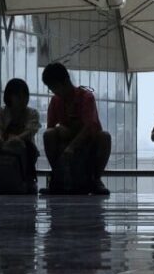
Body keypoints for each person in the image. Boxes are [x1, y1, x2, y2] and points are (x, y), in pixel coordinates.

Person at [41, 62, 112, 195]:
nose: (53, 91)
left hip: (87, 141)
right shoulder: (56, 100)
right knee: (49, 134)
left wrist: (72, 146)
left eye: (54, 87)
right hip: (68, 140)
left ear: (65, 81)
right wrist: (59, 130)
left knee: (105, 137)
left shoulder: (86, 97)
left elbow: (89, 127)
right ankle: (57, 176)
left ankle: (96, 179)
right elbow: (50, 127)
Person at [0, 78, 41, 193]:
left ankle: (27, 180)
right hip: (4, 144)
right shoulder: (1, 112)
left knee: (26, 148)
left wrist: (18, 138)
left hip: (25, 146)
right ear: (9, 97)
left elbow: (31, 130)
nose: (24, 100)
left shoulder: (32, 113)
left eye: (25, 96)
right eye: (19, 97)